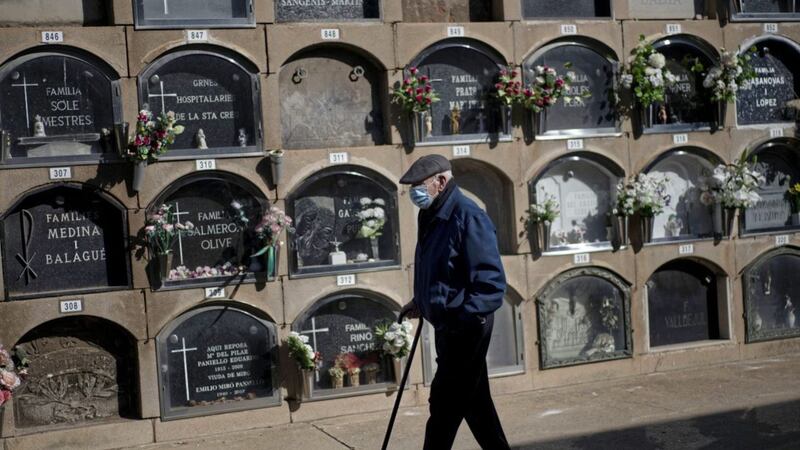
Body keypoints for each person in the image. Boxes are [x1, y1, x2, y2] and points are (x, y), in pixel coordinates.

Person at [399, 154, 510, 450]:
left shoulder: (468, 216)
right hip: (449, 323)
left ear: (441, 181)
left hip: (467, 326)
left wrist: (462, 319)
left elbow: (490, 283)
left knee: (444, 404)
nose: (414, 193)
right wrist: (420, 301)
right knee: (475, 404)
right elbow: (437, 269)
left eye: (418, 186)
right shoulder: (432, 214)